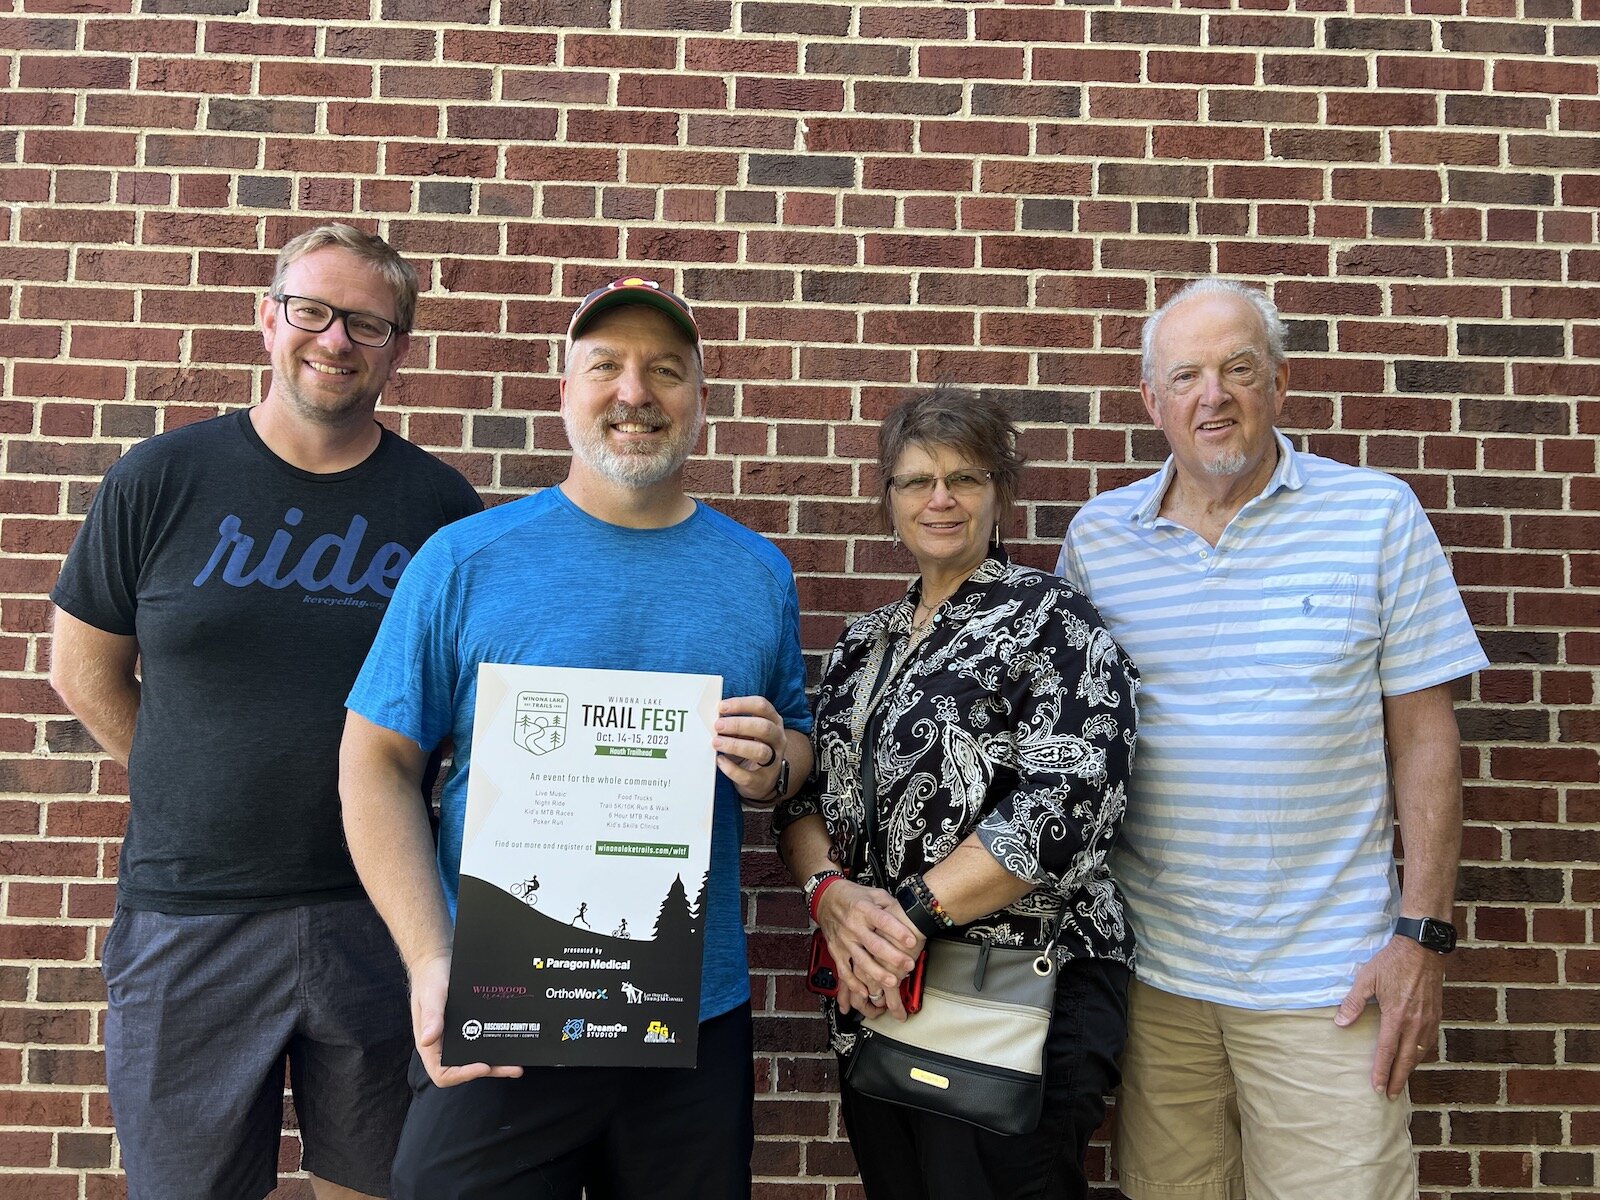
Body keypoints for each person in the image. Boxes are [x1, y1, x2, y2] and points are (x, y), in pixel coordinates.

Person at [339, 277, 814, 1200]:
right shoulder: (467, 560)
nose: (635, 392)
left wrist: (775, 762)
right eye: (606, 366)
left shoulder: (757, 572)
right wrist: (432, 961)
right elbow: (375, 762)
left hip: (689, 1021)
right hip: (502, 1009)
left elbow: (796, 755)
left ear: (700, 403)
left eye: (666, 371)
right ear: (565, 392)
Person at [48, 223, 482, 1199]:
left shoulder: (439, 509)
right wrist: (188, 772)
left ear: (398, 350)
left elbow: (465, 711)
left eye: (367, 325)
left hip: (377, 921)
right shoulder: (160, 480)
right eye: (313, 312)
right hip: (188, 918)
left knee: (375, 1188)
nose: (334, 341)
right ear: (268, 319)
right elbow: (83, 669)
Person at [1058, 280, 1488, 1200]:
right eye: (1187, 376)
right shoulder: (1101, 539)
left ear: (1280, 383)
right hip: (1158, 982)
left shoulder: (1375, 516)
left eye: (1238, 369)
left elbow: (1426, 739)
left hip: (1328, 986)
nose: (1213, 396)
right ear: (1153, 401)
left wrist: (1421, 938)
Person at [776, 389, 1140, 1200]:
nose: (939, 499)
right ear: (889, 500)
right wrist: (829, 894)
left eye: (964, 478)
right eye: (915, 481)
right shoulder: (860, 644)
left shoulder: (1056, 624)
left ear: (999, 492)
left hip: (1018, 992)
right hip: (882, 996)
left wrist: (903, 920)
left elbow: (1065, 810)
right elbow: (803, 803)